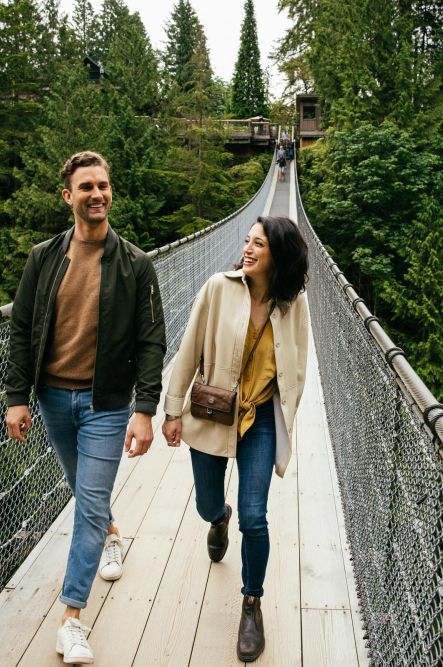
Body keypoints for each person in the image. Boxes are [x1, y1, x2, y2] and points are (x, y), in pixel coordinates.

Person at [5, 151, 166, 664]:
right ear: (67, 196)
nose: (97, 194)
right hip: (52, 397)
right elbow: (22, 330)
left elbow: (151, 341)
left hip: (107, 403)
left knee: (88, 503)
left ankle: (71, 618)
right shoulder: (43, 258)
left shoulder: (136, 264)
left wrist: (145, 408)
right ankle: (113, 534)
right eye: (86, 187)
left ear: (109, 191)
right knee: (85, 492)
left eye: (103, 185)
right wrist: (15, 397)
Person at [161, 216, 309, 663]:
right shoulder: (217, 288)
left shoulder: (292, 304)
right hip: (212, 410)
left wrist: (287, 409)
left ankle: (251, 604)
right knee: (209, 504)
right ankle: (217, 517)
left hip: (261, 418)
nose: (247, 249)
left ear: (278, 255)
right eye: (247, 241)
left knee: (255, 517)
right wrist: (172, 409)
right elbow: (188, 349)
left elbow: (298, 361)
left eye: (258, 244)